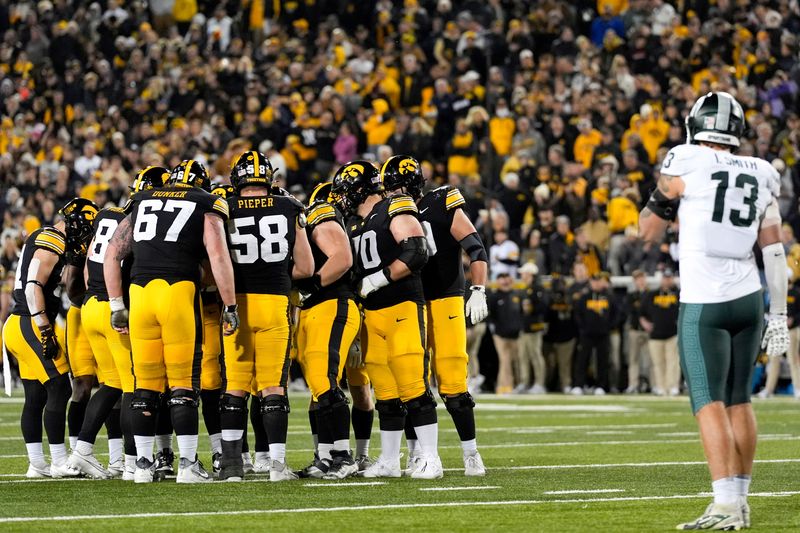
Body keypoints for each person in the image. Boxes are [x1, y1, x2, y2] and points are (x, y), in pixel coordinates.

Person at [639, 92, 787, 530]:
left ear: (694, 126)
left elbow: (647, 231)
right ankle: (739, 501)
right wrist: (777, 313)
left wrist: (667, 200)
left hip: (705, 300)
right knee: (740, 399)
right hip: (749, 297)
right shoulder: (763, 171)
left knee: (709, 401)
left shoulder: (685, 158)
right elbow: (775, 251)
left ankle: (724, 504)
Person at [104, 159, 239, 484]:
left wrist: (116, 305)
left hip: (140, 293)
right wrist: (230, 304)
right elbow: (219, 256)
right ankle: (189, 464)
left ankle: (144, 466)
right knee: (182, 383)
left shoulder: (143, 200)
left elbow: (112, 254)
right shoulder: (205, 202)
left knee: (145, 385)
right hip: (177, 292)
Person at [332, 160, 441, 479]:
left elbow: (417, 250)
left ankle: (430, 457)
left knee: (412, 383)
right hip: (372, 314)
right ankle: (391, 460)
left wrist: (379, 278)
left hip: (401, 305)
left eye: (346, 191)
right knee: (386, 391)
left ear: (359, 189)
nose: (342, 198)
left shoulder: (395, 205)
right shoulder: (354, 223)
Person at [381, 154, 489, 476]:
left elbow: (475, 247)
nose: (389, 195)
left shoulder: (440, 201)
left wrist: (479, 288)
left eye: (393, 188)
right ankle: (417, 454)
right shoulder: (388, 214)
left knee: (453, 380)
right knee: (413, 381)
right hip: (409, 303)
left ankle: (471, 453)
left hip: (444, 299)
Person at [217, 151, 314, 482]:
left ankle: (231, 467)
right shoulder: (288, 207)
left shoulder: (223, 206)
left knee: (235, 386)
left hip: (236, 303)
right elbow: (306, 267)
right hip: (274, 302)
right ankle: (276, 466)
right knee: (273, 386)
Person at [69, 167, 168, 480]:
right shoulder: (141, 220)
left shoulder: (106, 215)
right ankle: (130, 461)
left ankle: (83, 450)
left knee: (111, 384)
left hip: (90, 305)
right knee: (132, 387)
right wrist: (120, 308)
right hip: (113, 309)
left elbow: (88, 266)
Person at [3, 198, 97, 478]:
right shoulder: (52, 239)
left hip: (20, 322)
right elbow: (33, 288)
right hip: (29, 322)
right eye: (86, 228)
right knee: (59, 388)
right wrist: (44, 329)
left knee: (35, 395)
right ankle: (58, 461)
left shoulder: (47, 237)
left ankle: (37, 464)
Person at [293, 181, 361, 480]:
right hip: (315, 309)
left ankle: (344, 457)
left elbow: (343, 259)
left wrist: (313, 285)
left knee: (325, 379)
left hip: (331, 303)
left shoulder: (321, 212)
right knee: (317, 387)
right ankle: (324, 456)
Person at [572, 271, 618, 395]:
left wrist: (609, 327)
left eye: (598, 281)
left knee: (602, 360)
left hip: (603, 334)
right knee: (582, 360)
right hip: (587, 334)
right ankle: (579, 385)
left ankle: (601, 386)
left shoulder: (609, 297)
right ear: (591, 282)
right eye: (594, 281)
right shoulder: (584, 297)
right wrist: (583, 328)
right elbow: (577, 314)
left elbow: (616, 314)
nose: (596, 284)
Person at [639, 269, 680, 396]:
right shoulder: (652, 294)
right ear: (661, 279)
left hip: (673, 333)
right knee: (658, 363)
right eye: (665, 278)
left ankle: (672, 386)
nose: (667, 280)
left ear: (672, 279)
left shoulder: (679, 294)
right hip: (655, 334)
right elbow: (641, 312)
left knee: (673, 361)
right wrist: (644, 323)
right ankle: (661, 386)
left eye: (669, 278)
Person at [759, 277, 800, 398]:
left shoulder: (796, 293)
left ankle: (797, 389)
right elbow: (767, 311)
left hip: (791, 331)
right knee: (773, 361)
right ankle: (768, 389)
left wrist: (793, 320)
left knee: (792, 360)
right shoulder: (776, 292)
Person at [488, 273, 523, 395]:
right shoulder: (494, 296)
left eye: (507, 280)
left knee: (516, 361)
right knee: (505, 361)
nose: (505, 282)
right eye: (502, 280)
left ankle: (516, 385)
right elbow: (490, 316)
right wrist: (495, 331)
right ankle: (504, 386)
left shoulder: (516, 295)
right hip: (500, 334)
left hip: (515, 334)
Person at [518, 261, 548, 394]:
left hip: (535, 326)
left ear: (530, 274)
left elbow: (543, 307)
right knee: (523, 356)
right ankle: (525, 382)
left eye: (524, 273)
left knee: (535, 355)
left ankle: (539, 383)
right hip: (525, 326)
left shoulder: (538, 288)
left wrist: (532, 307)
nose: (522, 275)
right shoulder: (525, 288)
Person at [625, 270, 650, 394]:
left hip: (649, 331)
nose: (640, 281)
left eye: (642, 278)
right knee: (633, 359)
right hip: (635, 330)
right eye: (637, 279)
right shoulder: (631, 296)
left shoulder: (651, 294)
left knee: (650, 360)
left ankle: (655, 385)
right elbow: (629, 312)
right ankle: (633, 384)